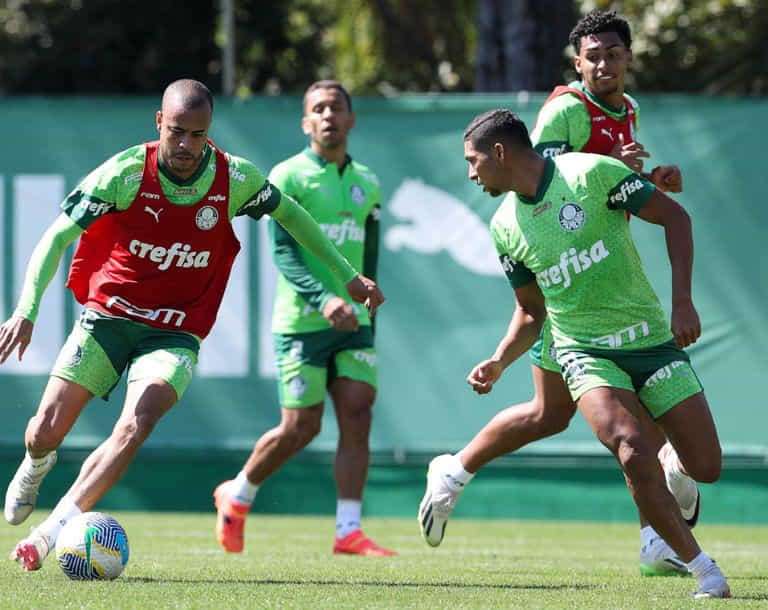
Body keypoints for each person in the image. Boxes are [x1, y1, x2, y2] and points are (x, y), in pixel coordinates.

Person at [1, 79, 384, 572]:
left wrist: (348, 277)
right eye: (176, 133)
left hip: (175, 330)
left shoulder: (233, 178)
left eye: (197, 136)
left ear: (210, 133)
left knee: (139, 420)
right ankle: (35, 465)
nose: (185, 147)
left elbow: (293, 216)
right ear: (159, 123)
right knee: (44, 431)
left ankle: (51, 532)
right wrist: (26, 309)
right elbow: (56, 238)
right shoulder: (124, 173)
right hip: (108, 317)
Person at [418, 9, 698, 578]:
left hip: (600, 282)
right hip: (567, 286)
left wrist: (652, 179)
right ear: (577, 63)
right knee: (624, 417)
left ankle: (453, 473)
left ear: (626, 59)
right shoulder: (567, 108)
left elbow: (613, 183)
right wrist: (615, 172)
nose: (603, 63)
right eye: (592, 55)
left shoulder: (626, 110)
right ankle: (657, 530)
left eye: (612, 54)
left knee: (551, 415)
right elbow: (540, 176)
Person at [213, 80, 395, 557]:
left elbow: (368, 252)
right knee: (301, 427)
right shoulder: (288, 176)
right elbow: (283, 253)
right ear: (306, 123)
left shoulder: (368, 182)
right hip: (301, 323)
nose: (328, 115)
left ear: (351, 119)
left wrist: (365, 305)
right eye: (318, 108)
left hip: (354, 323)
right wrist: (323, 300)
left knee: (358, 412)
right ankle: (237, 495)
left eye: (336, 107)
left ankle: (348, 530)